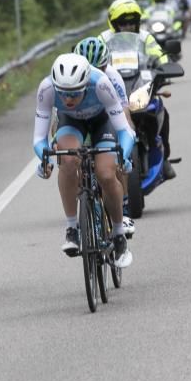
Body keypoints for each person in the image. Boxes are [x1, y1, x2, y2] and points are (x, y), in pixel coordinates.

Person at [32, 54, 134, 267]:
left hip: (102, 122)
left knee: (106, 174)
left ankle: (118, 234)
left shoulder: (101, 84)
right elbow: (39, 138)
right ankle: (72, 229)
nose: (68, 100)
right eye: (64, 94)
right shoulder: (47, 89)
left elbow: (125, 130)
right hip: (71, 123)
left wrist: (123, 155)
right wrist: (44, 159)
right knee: (68, 161)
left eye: (75, 94)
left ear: (86, 85)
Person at [98, 0, 177, 182]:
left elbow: (159, 54)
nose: (128, 26)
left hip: (139, 87)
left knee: (161, 111)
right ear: (114, 23)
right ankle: (91, 163)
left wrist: (165, 68)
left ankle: (164, 158)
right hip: (112, 92)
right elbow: (91, 58)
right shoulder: (103, 39)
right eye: (123, 22)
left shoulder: (145, 37)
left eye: (132, 22)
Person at [73, 36, 136, 239]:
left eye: (98, 67)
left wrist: (126, 142)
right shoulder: (70, 77)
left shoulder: (112, 76)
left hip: (106, 118)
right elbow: (58, 119)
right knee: (71, 158)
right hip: (80, 120)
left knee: (115, 160)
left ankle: (123, 210)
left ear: (106, 64)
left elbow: (123, 111)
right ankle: (83, 209)